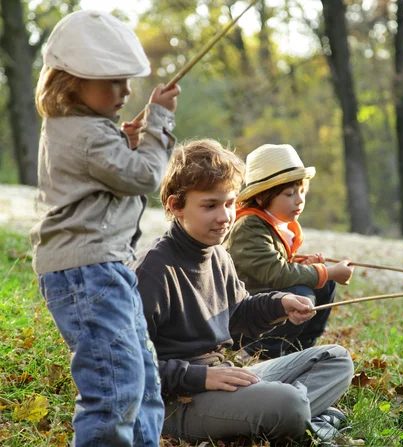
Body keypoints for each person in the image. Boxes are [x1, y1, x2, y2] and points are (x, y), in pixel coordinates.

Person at [129, 139, 354, 444]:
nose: (224, 217)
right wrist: (201, 377)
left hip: (223, 376)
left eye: (229, 203)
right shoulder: (153, 269)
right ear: (175, 206)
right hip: (177, 401)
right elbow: (129, 364)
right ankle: (303, 414)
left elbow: (238, 313)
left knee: (336, 359)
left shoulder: (218, 255)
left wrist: (280, 302)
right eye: (209, 205)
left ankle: (300, 415)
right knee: (288, 403)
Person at [30, 10, 181, 446]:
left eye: (127, 80)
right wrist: (158, 124)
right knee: (116, 387)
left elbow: (111, 171)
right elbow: (144, 177)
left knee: (144, 380)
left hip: (105, 268)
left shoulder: (82, 129)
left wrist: (127, 140)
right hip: (88, 271)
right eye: (112, 81)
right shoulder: (88, 136)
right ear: (72, 81)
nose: (127, 91)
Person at [223, 143, 354, 358]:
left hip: (266, 303)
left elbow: (276, 267)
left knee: (322, 283)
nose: (300, 199)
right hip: (242, 320)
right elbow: (277, 274)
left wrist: (308, 266)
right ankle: (259, 354)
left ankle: (297, 350)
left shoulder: (272, 224)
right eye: (289, 193)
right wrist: (327, 272)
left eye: (302, 191)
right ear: (260, 197)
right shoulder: (249, 226)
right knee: (302, 294)